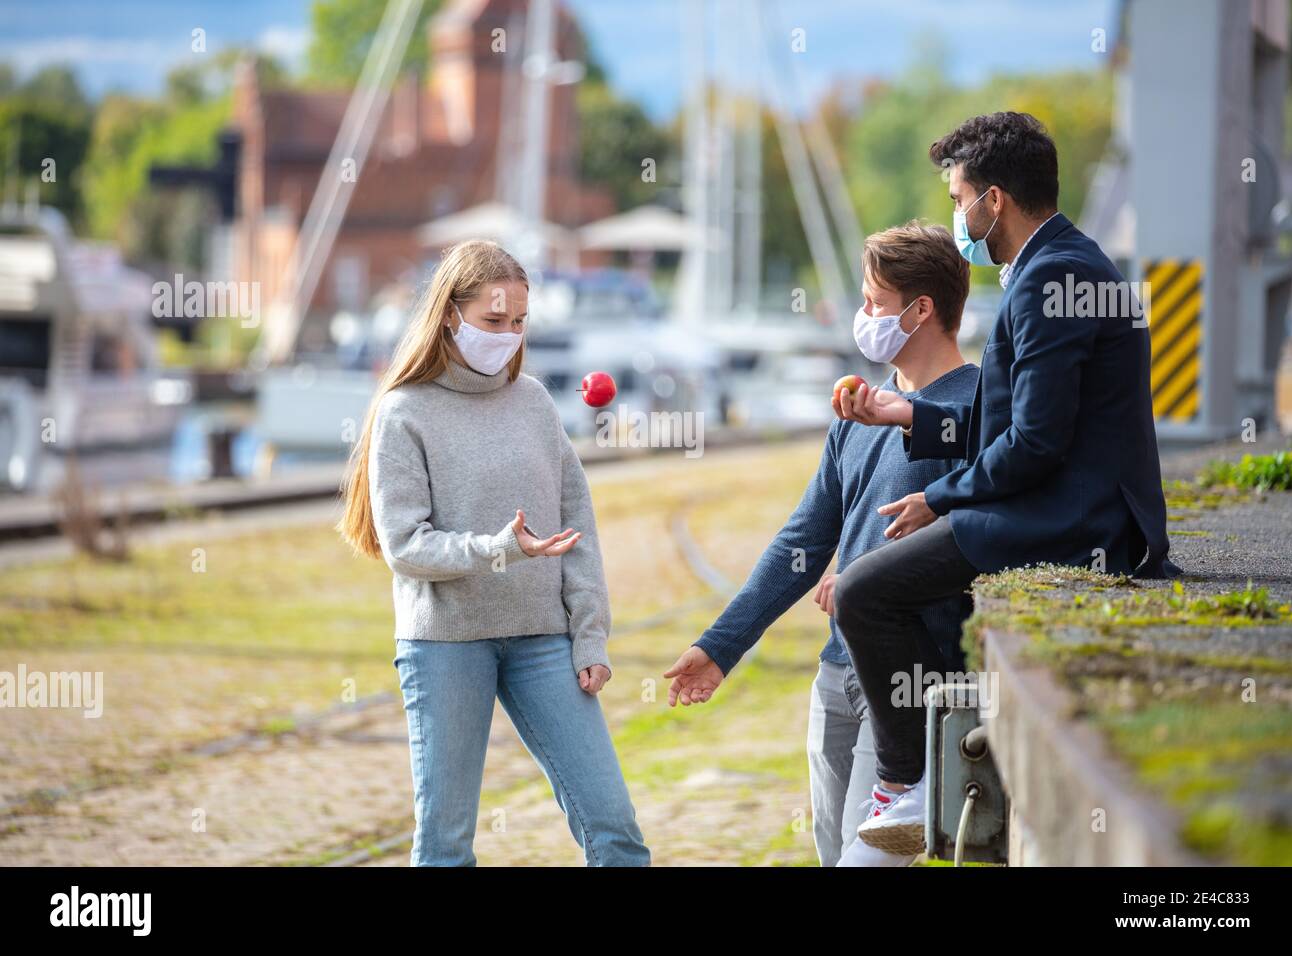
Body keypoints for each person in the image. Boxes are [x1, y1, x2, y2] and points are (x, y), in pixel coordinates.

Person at [832, 112, 1179, 857]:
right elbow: (1017, 425)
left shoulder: (1052, 280)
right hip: (1068, 500)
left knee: (865, 591)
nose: (957, 216)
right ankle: (939, 760)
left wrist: (941, 497)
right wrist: (912, 417)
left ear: (994, 200)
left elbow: (1036, 444)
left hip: (1077, 519)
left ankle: (912, 777)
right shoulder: (1059, 265)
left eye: (959, 200)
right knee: (901, 587)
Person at [664, 222, 979, 866]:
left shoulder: (980, 410)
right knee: (832, 852)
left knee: (867, 862)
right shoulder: (860, 414)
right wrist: (721, 646)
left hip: (911, 680)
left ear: (921, 310)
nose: (862, 316)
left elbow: (981, 533)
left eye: (873, 302)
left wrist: (864, 571)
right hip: (835, 673)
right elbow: (803, 540)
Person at [337, 239, 650, 867]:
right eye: (493, 321)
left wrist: (589, 636)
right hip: (445, 644)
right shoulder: (404, 412)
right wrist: (500, 549)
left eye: (518, 323)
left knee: (615, 831)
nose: (508, 335)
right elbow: (405, 546)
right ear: (450, 315)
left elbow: (576, 525)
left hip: (543, 639)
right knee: (447, 845)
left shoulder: (534, 402)